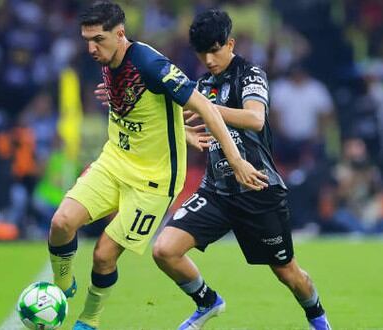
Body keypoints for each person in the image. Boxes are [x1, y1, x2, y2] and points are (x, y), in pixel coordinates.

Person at [47, 3, 265, 330]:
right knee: (61, 222)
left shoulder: (150, 63)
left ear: (120, 35)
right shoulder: (108, 58)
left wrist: (236, 160)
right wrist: (180, 130)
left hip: (153, 181)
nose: (91, 48)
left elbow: (204, 105)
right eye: (86, 40)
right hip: (115, 161)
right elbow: (148, 103)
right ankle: (61, 291)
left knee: (103, 255)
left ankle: (89, 320)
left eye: (99, 40)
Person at [152, 10, 331, 329]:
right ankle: (208, 302)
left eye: (214, 50)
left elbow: (255, 119)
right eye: (201, 53)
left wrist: (205, 109)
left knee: (288, 273)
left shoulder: (250, 74)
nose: (208, 59)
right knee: (164, 250)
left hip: (257, 190)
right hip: (216, 192)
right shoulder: (203, 82)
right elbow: (172, 113)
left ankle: (319, 321)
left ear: (230, 43)